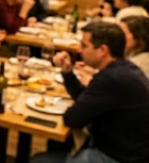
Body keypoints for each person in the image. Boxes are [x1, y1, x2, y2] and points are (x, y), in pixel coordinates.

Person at [32, 22, 149, 163]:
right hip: (128, 151)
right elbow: (86, 97)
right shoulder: (124, 68)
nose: (79, 50)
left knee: (39, 161)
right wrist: (67, 72)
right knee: (58, 144)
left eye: (84, 45)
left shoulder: (111, 78)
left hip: (117, 157)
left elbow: (72, 119)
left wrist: (76, 108)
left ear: (102, 50)